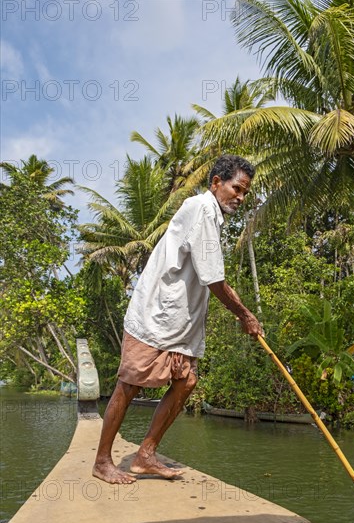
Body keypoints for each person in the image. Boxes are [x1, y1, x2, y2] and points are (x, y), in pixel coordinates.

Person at [93, 154, 264, 484]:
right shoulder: (202, 209)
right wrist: (245, 315)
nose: (241, 198)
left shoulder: (211, 215)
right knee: (128, 386)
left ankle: (145, 456)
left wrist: (244, 314)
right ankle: (102, 461)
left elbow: (206, 276)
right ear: (216, 183)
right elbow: (214, 280)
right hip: (155, 314)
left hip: (177, 322)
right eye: (237, 189)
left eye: (245, 193)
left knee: (186, 382)